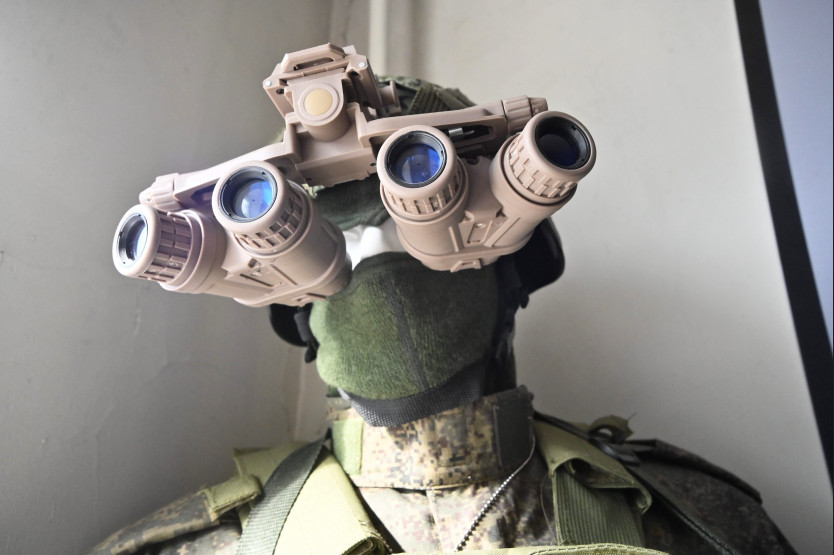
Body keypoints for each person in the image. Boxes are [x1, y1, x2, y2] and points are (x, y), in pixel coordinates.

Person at [91, 45, 795, 555]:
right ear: (293, 300)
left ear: (511, 264)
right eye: (341, 235)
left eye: (417, 216)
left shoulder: (706, 523)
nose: (380, 259)